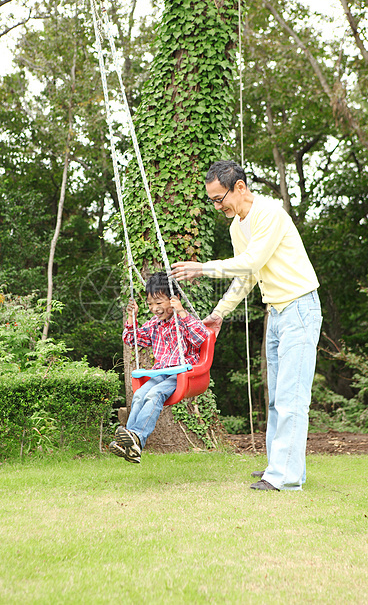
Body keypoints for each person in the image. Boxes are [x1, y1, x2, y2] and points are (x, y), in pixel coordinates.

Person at [171, 160, 322, 491]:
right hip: (277, 313)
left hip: (300, 308)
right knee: (276, 398)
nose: (217, 205)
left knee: (291, 396)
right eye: (211, 199)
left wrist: (203, 267)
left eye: (218, 197)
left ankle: (285, 478)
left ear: (239, 187)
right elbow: (248, 275)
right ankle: (278, 466)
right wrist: (220, 312)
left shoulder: (270, 213)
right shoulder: (236, 228)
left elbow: (252, 261)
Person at [110, 271, 209, 464]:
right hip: (161, 374)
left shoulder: (184, 322)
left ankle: (136, 437)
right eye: (150, 304)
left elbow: (201, 337)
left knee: (154, 395)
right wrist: (132, 317)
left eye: (159, 302)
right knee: (139, 395)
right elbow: (132, 339)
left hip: (182, 375)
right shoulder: (155, 325)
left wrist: (181, 311)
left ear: (174, 299)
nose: (155, 308)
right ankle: (130, 445)